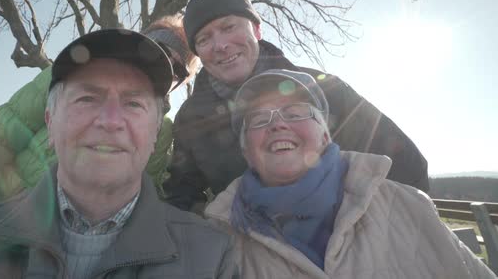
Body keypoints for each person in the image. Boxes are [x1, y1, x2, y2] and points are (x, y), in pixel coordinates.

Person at [0, 29, 237, 278]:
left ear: (154, 135)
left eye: (135, 103)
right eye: (86, 99)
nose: (110, 121)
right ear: (50, 121)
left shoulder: (212, 259)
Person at [204, 69, 494, 278]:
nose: (278, 125)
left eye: (295, 113)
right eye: (258, 119)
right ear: (246, 151)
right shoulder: (218, 240)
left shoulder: (408, 205)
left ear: (325, 136)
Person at [163, 0, 428, 212]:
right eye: (204, 38)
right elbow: (182, 196)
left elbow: (405, 162)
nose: (220, 45)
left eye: (228, 27)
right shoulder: (191, 119)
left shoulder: (325, 89)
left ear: (256, 30)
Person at [0, 14, 198, 222]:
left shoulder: (163, 133)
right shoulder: (62, 80)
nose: (163, 66)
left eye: (177, 68)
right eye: (154, 50)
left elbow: (142, 200)